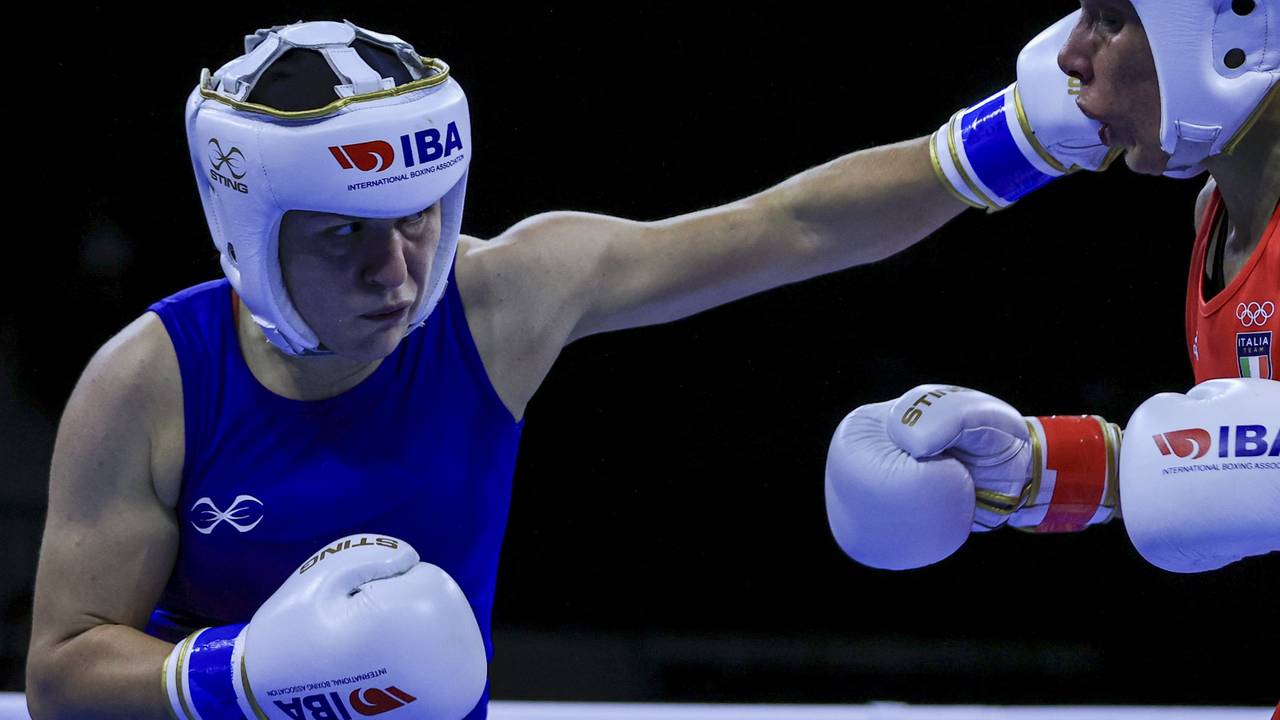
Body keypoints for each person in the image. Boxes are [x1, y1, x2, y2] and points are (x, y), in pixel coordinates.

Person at [25, 14, 1129, 720]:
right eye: (341, 237)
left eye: (417, 221)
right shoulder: (151, 383)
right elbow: (62, 668)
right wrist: (246, 680)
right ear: (247, 233)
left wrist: (1014, 140)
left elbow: (788, 228)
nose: (395, 269)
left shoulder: (498, 299)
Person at [825, 0, 1278, 573]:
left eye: (1111, 20)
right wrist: (1032, 471)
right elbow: (1228, 466)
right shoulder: (1213, 216)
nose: (1067, 54)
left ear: (1230, 38)